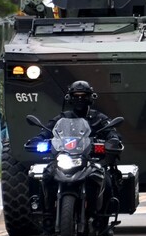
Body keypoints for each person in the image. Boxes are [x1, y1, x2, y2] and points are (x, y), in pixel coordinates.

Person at [39, 80, 123, 218]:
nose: (80, 99)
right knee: (46, 175)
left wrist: (113, 139)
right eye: (76, 96)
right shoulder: (63, 117)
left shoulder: (98, 118)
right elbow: (48, 130)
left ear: (90, 97)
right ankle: (46, 212)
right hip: (65, 158)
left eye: (83, 96)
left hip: (91, 160)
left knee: (106, 179)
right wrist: (39, 138)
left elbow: (111, 131)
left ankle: (104, 215)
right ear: (70, 98)